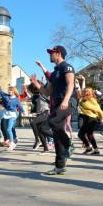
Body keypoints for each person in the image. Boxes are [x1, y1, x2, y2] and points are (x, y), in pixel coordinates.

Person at [31, 45, 75, 175]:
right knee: (56, 135)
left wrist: (66, 100)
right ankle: (59, 166)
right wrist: (36, 84)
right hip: (56, 104)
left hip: (66, 103)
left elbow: (71, 84)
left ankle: (69, 145)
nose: (50, 55)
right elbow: (47, 92)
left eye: (52, 53)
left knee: (51, 123)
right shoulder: (55, 72)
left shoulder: (66, 67)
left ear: (59, 54)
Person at [0, 83, 25, 151]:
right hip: (6, 114)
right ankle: (10, 140)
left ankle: (12, 143)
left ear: (14, 92)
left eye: (11, 91)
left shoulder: (16, 99)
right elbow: (1, 92)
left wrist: (23, 111)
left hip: (13, 114)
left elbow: (20, 106)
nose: (9, 92)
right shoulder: (6, 96)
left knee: (8, 129)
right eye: (9, 91)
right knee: (6, 128)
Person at [78, 87, 103, 155]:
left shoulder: (92, 100)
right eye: (85, 91)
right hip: (86, 118)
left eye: (87, 91)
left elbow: (98, 110)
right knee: (80, 134)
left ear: (91, 92)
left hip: (92, 119)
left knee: (89, 134)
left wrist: (101, 118)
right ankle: (88, 148)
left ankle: (96, 150)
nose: (85, 92)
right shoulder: (83, 100)